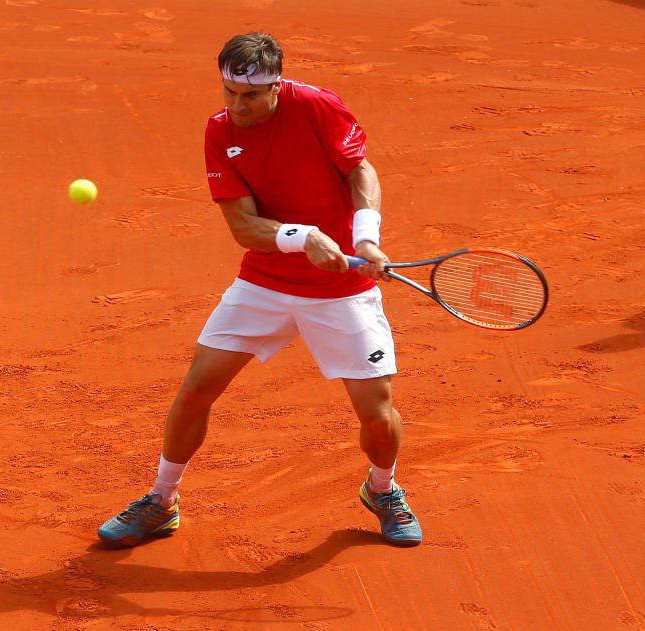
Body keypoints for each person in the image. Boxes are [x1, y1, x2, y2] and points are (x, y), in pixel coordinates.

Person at [98, 32, 421, 548]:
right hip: (264, 284)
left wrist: (365, 237)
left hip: (342, 290)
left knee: (377, 414)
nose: (237, 105)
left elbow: (359, 168)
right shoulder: (219, 131)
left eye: (249, 95)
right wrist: (303, 237)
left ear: (275, 86)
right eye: (228, 92)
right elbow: (244, 228)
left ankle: (382, 489)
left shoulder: (315, 105)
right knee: (196, 390)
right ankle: (162, 500)